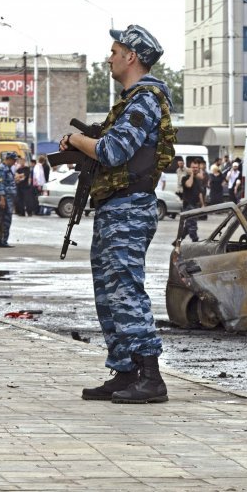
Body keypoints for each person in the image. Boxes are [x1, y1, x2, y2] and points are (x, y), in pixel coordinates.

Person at [63, 23, 175, 405]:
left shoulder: (144, 99)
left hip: (130, 209)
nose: (108, 58)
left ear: (131, 56)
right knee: (109, 293)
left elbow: (113, 151)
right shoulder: (130, 100)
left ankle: (150, 375)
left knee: (126, 290)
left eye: (114, 52)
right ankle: (125, 370)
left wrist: (78, 140)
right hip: (115, 208)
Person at [0, 152, 17, 248]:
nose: (15, 162)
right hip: (4, 199)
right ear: (8, 159)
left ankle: (3, 240)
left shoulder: (7, 169)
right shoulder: (2, 168)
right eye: (14, 160)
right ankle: (2, 241)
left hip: (8, 198)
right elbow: (0, 184)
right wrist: (2, 199)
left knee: (6, 220)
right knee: (4, 220)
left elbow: (7, 182)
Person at [181, 159, 205, 241]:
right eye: (193, 167)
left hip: (195, 205)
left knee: (188, 226)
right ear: (190, 168)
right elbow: (189, 185)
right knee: (192, 227)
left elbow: (200, 193)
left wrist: (202, 204)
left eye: (196, 168)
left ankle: (178, 241)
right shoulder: (185, 178)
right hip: (188, 205)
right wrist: (191, 174)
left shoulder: (198, 180)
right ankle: (196, 242)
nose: (195, 169)